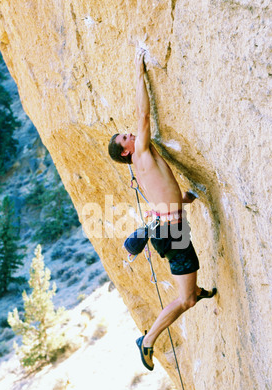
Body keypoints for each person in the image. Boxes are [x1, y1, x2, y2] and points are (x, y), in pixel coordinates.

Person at [108, 49, 216, 371]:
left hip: (167, 227)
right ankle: (148, 339)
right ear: (126, 150)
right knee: (186, 301)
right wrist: (139, 75)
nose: (131, 133)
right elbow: (143, 116)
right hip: (172, 232)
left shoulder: (143, 164)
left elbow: (161, 197)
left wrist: (183, 200)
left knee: (190, 287)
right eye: (126, 137)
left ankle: (195, 287)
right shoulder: (139, 153)